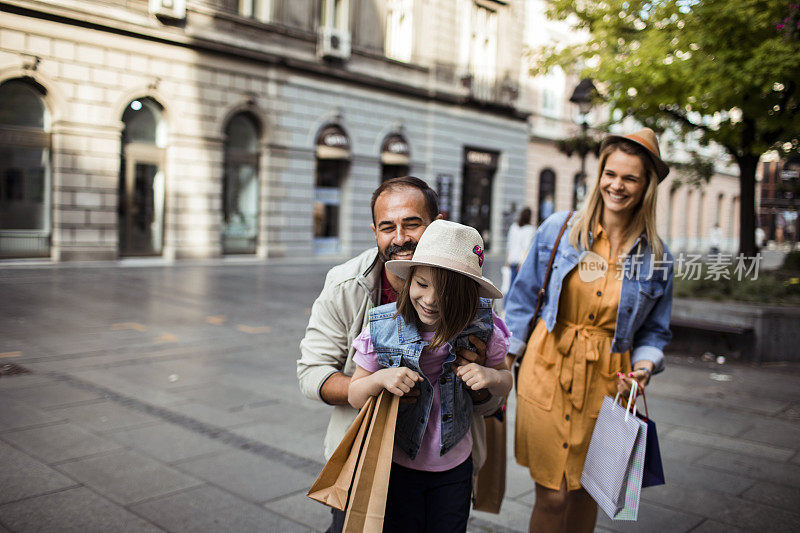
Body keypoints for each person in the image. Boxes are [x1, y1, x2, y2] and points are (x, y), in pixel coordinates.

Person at [297, 176, 503, 533]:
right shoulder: (347, 285)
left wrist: (479, 381)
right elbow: (312, 373)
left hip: (445, 463)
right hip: (369, 453)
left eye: (412, 224)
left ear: (437, 224)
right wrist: (376, 386)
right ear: (374, 232)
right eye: (386, 227)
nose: (400, 238)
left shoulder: (470, 300)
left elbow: (492, 398)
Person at [505, 128, 674, 533]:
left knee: (587, 490)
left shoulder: (657, 257)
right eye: (610, 173)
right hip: (547, 367)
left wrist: (647, 364)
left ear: (646, 185)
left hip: (609, 382)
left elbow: (655, 330)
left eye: (630, 178)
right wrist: (503, 361)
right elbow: (522, 298)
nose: (617, 185)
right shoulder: (559, 230)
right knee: (552, 492)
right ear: (600, 175)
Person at [348, 220, 514, 532]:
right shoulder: (383, 328)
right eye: (422, 284)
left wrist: (489, 376)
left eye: (448, 292)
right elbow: (354, 394)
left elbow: (506, 380)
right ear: (408, 280)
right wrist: (379, 380)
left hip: (454, 465)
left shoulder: (483, 328)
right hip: (396, 463)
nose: (431, 300)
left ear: (469, 296)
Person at [506, 207, 536, 293]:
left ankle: (507, 304)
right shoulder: (530, 230)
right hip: (521, 262)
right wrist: (522, 264)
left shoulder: (514, 227)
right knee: (519, 288)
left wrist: (507, 259)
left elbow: (509, 244)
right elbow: (527, 248)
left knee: (510, 285)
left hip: (512, 259)